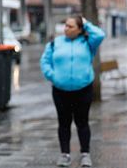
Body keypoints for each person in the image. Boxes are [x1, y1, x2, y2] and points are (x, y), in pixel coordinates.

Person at [40, 15, 105, 167]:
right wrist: (53, 76)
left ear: (80, 29)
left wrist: (86, 22)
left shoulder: (89, 43)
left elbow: (100, 34)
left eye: (70, 26)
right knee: (64, 123)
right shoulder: (55, 43)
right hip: (60, 90)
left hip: (83, 90)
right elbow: (45, 61)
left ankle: (85, 154)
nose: (66, 29)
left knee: (82, 122)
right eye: (65, 26)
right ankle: (65, 155)